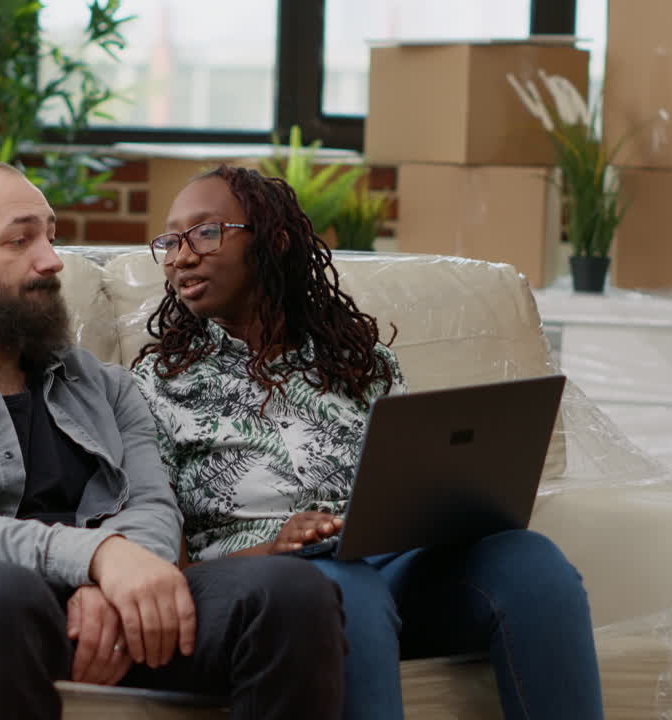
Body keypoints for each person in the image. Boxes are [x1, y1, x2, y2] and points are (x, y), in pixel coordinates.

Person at [0, 158, 346, 720]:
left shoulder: (106, 387)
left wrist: (114, 583)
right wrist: (98, 557)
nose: (51, 261)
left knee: (290, 592)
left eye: (50, 235)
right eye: (20, 240)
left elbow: (151, 504)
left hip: (125, 604)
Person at [132, 164, 605, 720]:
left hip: (392, 565)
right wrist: (277, 545)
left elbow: (409, 485)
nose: (179, 256)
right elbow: (166, 571)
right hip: (275, 585)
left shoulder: (363, 364)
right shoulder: (156, 387)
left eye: (205, 232)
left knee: (531, 563)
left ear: (274, 242)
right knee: (344, 589)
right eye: (169, 240)